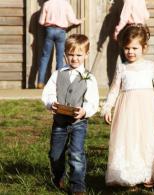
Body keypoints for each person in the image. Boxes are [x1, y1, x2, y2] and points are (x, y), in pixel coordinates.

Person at [101, 24, 154, 189]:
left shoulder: (149, 66)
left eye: (135, 48)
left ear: (144, 48)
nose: (130, 52)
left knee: (150, 139)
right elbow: (114, 90)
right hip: (127, 110)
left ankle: (150, 174)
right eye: (127, 48)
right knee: (130, 139)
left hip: (148, 110)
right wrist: (107, 108)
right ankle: (131, 173)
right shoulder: (122, 67)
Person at [42, 34, 99, 195]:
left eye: (79, 55)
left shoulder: (89, 78)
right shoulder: (58, 74)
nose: (74, 58)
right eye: (71, 54)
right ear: (65, 54)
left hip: (78, 123)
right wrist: (51, 102)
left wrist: (85, 111)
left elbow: (92, 101)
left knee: (76, 153)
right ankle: (58, 176)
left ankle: (77, 185)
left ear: (86, 55)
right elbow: (48, 93)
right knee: (55, 154)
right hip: (59, 121)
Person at [37, 0, 82, 89]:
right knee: (60, 58)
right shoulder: (66, 4)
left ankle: (40, 83)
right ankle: (59, 83)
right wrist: (79, 21)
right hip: (61, 31)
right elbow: (73, 20)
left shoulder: (47, 4)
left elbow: (41, 22)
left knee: (45, 57)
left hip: (49, 30)